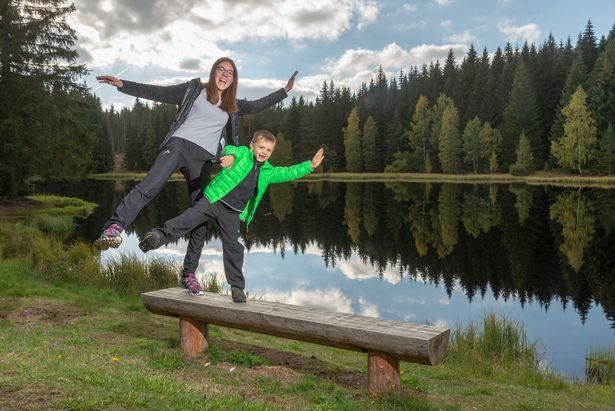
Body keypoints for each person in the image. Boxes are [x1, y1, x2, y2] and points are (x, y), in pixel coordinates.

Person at [94, 57, 298, 290]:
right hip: (179, 146)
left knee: (200, 212)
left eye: (230, 73)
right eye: (221, 70)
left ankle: (188, 274)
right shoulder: (193, 90)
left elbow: (258, 104)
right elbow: (158, 92)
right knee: (150, 185)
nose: (224, 75)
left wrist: (285, 90)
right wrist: (123, 85)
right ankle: (115, 227)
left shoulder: (232, 105)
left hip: (203, 160)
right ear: (213, 73)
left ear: (233, 79)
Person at [138, 130, 325, 302]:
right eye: (261, 147)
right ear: (252, 146)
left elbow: (287, 172)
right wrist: (230, 156)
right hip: (214, 200)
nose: (264, 152)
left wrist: (310, 165)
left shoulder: (268, 171)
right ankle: (157, 237)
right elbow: (230, 148)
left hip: (233, 213)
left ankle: (237, 288)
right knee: (187, 220)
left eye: (268, 150)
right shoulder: (243, 154)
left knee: (234, 248)